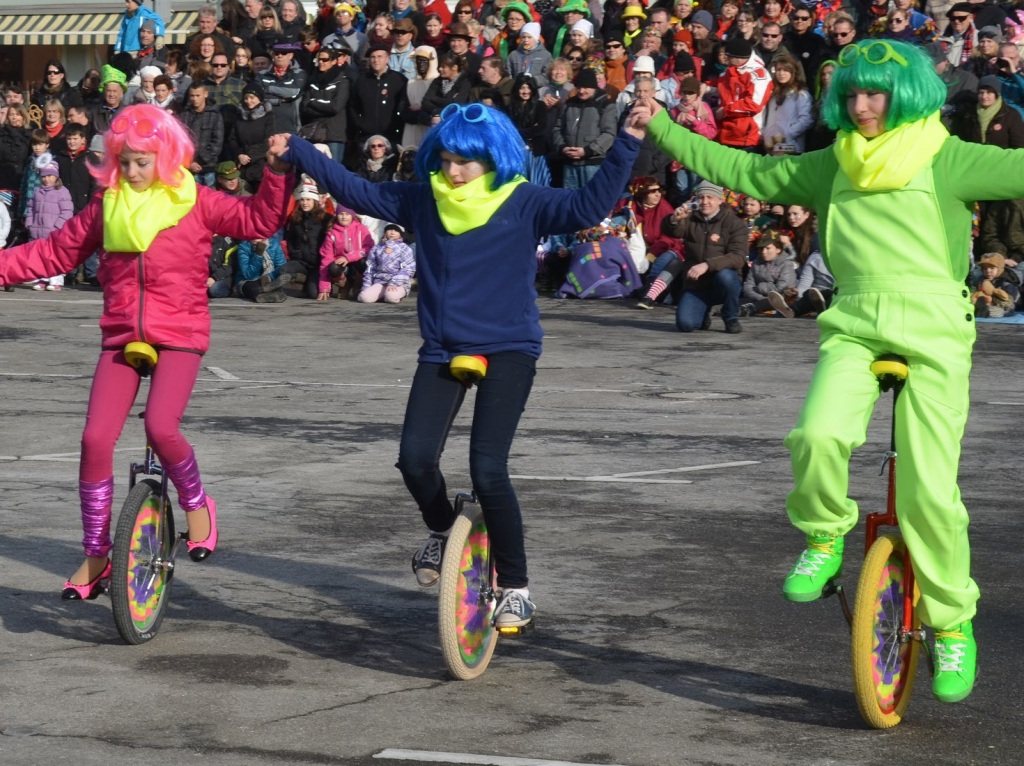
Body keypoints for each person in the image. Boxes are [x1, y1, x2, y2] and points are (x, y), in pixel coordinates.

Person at [633, 38, 1024, 704]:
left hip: (933, 328)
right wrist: (664, 126)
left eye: (876, 94)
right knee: (815, 435)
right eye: (852, 94)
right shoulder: (831, 163)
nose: (863, 106)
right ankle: (824, 532)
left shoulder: (949, 158)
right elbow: (745, 171)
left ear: (906, 97)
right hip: (855, 322)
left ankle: (952, 623)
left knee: (932, 494)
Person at [271, 101, 645, 628]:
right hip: (445, 348)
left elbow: (588, 206)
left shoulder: (525, 200)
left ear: (492, 159)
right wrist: (303, 150)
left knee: (488, 469)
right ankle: (446, 530)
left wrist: (627, 140)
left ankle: (515, 585)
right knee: (414, 460)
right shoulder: (425, 199)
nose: (452, 171)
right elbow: (359, 191)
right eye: (445, 159)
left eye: (465, 162)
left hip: (510, 346)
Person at [0, 104, 293, 599]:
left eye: (144, 161)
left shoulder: (197, 201)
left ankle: (198, 504)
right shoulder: (105, 206)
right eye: (126, 161)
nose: (133, 172)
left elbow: (258, 219)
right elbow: (52, 253)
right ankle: (97, 553)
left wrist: (278, 171)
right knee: (95, 440)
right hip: (121, 334)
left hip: (179, 332)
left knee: (161, 427)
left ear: (167, 156)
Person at [634, 181, 747, 331]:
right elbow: (670, 231)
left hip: (721, 281)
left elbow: (738, 257)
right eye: (701, 197)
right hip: (697, 283)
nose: (705, 202)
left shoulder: (734, 223)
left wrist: (707, 265)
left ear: (720, 200)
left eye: (710, 197)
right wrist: (675, 219)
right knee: (685, 324)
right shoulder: (691, 217)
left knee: (726, 276)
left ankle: (730, 316)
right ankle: (703, 313)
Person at [25, 156, 74, 291]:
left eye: (50, 176)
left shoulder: (62, 192)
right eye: (45, 176)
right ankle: (42, 279)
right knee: (40, 256)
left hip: (54, 231)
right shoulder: (37, 192)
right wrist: (30, 223)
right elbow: (30, 208)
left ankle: (56, 280)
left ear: (56, 177)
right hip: (38, 230)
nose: (47, 179)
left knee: (55, 257)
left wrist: (58, 226)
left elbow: (67, 211)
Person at [319, 204, 373, 300]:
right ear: (336, 215)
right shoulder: (332, 233)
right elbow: (326, 258)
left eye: (347, 214)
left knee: (364, 262)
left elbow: (369, 247)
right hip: (341, 264)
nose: (344, 217)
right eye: (341, 214)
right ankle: (344, 285)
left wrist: (349, 257)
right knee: (332, 267)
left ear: (352, 215)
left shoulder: (361, 229)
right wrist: (324, 287)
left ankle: (358, 283)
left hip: (357, 262)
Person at [738, 229, 797, 315]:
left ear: (778, 249)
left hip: (780, 301)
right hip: (758, 298)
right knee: (733, 303)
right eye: (761, 248)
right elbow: (748, 286)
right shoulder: (757, 262)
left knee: (767, 303)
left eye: (768, 248)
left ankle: (747, 310)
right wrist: (760, 297)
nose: (763, 252)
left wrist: (760, 287)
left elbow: (781, 287)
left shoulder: (787, 264)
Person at [358, 223, 416, 303]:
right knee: (364, 297)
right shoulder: (377, 248)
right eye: (389, 229)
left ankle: (397, 293)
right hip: (380, 282)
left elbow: (408, 269)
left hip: (399, 283)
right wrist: (366, 285)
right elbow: (370, 267)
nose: (392, 232)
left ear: (401, 233)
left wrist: (394, 283)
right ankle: (381, 294)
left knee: (391, 297)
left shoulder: (404, 248)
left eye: (396, 230)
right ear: (385, 232)